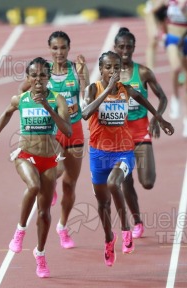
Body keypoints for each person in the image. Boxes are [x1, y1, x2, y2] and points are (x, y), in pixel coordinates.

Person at [81, 51, 174, 267]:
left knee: (115, 183)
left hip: (123, 150)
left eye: (117, 68)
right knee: (103, 203)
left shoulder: (126, 90)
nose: (114, 71)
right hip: (98, 154)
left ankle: (125, 229)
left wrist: (159, 118)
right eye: (109, 68)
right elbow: (85, 113)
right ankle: (108, 239)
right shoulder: (93, 89)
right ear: (101, 69)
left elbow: (143, 99)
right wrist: (106, 93)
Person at [0, 57, 72, 278]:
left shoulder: (58, 99)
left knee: (44, 212)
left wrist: (47, 107)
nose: (38, 79)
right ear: (28, 77)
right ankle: (20, 231)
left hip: (49, 159)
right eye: (34, 75)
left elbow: (68, 130)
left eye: (43, 75)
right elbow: (5, 114)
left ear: (49, 78)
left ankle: (40, 253)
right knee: (33, 186)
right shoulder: (20, 99)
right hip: (25, 155)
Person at [19, 31, 90, 249]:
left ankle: (62, 226)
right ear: (49, 49)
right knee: (56, 170)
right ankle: (50, 185)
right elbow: (23, 93)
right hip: (53, 131)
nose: (59, 52)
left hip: (73, 129)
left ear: (69, 49)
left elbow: (87, 95)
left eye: (63, 48)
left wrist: (83, 75)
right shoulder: (43, 73)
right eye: (55, 48)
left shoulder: (76, 70)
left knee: (70, 183)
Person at [113, 27, 168, 238]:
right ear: (115, 48)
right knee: (125, 181)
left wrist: (157, 117)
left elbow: (162, 97)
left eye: (128, 46)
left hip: (140, 134)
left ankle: (136, 220)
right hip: (119, 138)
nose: (125, 50)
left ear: (134, 47)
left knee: (147, 182)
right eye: (121, 46)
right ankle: (137, 222)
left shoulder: (143, 72)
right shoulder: (109, 75)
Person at [164, 0, 187, 137]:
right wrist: (161, 33)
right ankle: (175, 97)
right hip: (172, 38)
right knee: (176, 68)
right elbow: (158, 15)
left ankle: (186, 121)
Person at [144, 0, 168, 70]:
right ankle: (149, 71)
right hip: (153, 10)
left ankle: (182, 70)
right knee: (153, 40)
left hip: (170, 8)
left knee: (175, 42)